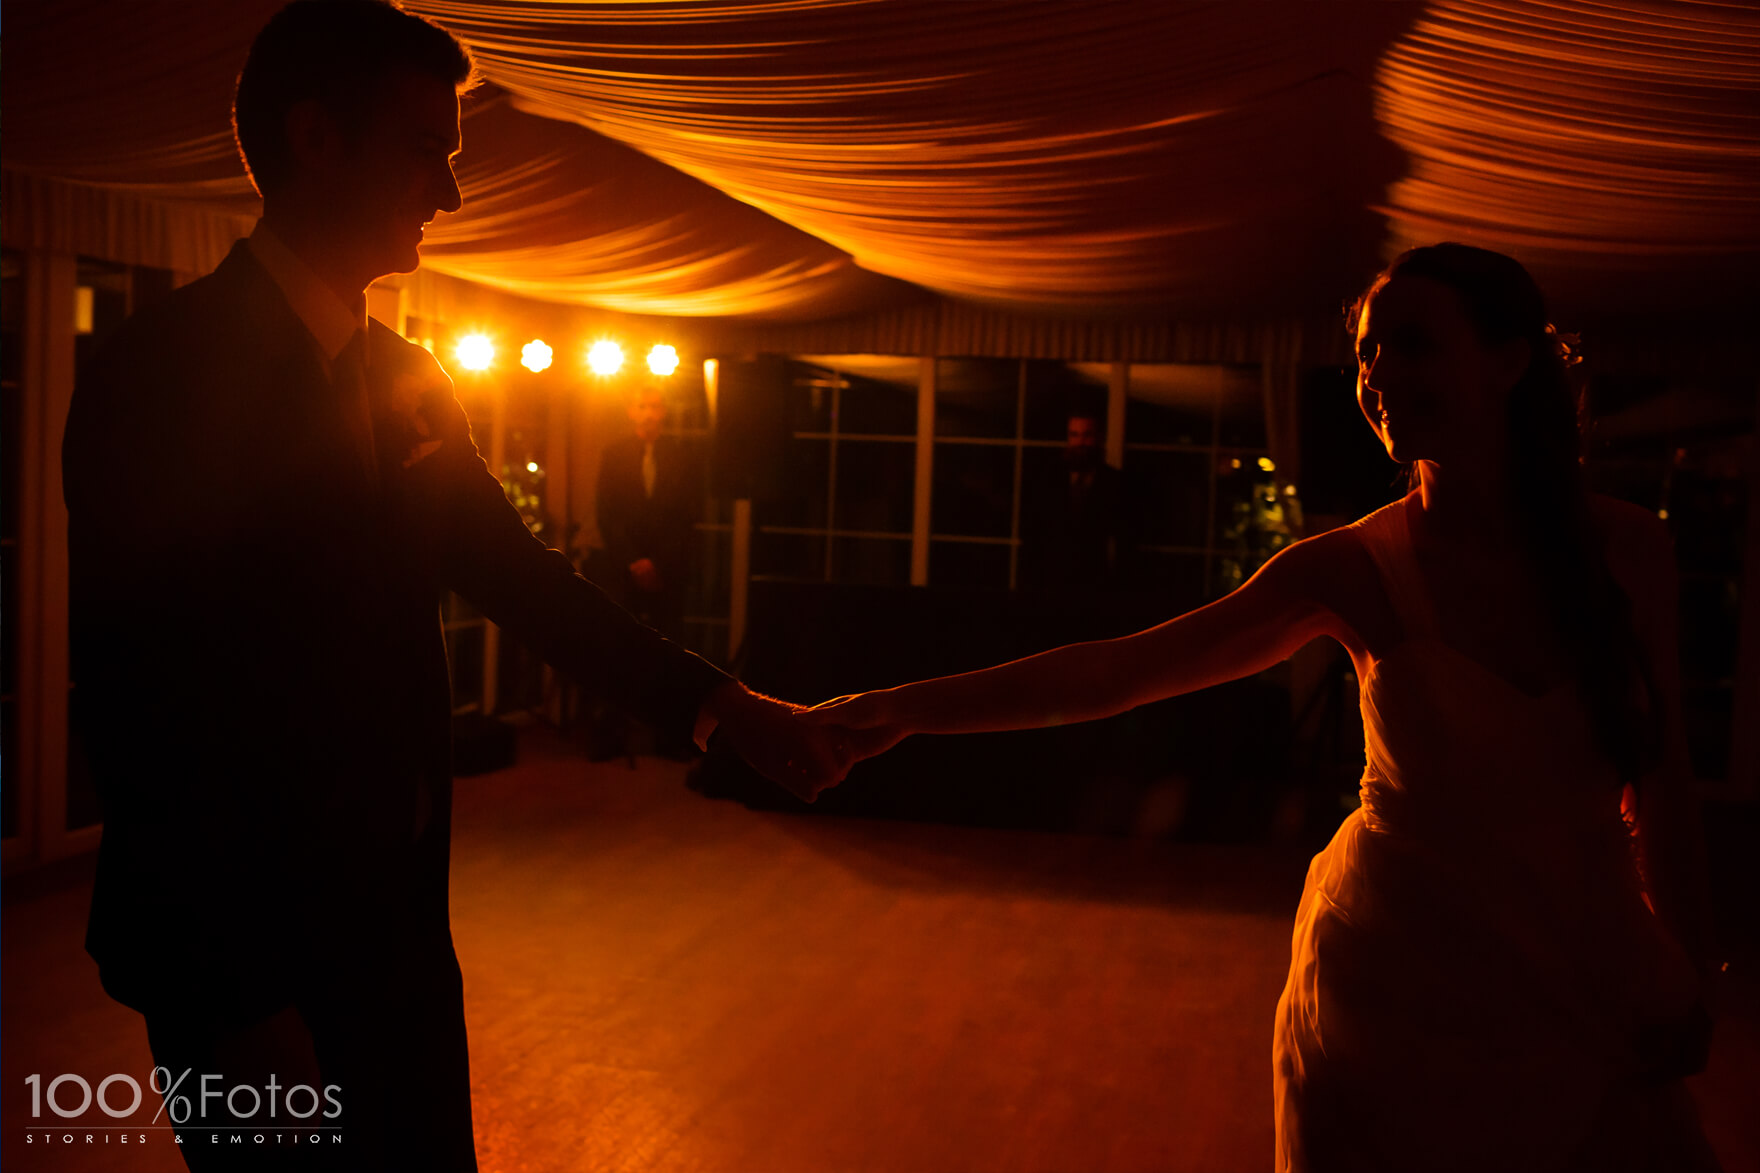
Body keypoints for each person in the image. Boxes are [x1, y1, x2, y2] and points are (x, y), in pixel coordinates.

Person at [61, 3, 848, 1169]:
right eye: (426, 151)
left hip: (391, 932)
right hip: (238, 962)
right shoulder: (161, 374)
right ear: (316, 138)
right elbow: (144, 702)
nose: (449, 195)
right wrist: (238, 996)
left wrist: (721, 706)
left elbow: (518, 577)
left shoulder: (406, 378)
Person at [803, 244, 1723, 1171]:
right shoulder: (1352, 570)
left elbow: (1665, 781)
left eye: (1412, 345)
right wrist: (889, 709)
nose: (1378, 377)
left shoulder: (1628, 549)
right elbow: (1120, 671)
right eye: (1366, 354)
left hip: (1588, 974)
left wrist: (1688, 969)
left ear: (1509, 360)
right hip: (1405, 990)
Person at [589, 385, 703, 758]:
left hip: (669, 569)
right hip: (625, 568)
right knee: (617, 645)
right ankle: (612, 732)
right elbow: (608, 514)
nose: (651, 413)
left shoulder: (683, 456)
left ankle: (669, 735)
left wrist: (658, 563)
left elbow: (686, 517)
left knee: (670, 651)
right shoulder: (614, 454)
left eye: (656, 406)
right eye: (643, 405)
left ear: (664, 412)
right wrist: (634, 561)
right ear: (630, 410)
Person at [1018, 408, 1136, 589]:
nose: (1080, 442)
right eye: (1075, 435)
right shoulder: (1048, 480)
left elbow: (1125, 539)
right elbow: (1033, 533)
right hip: (1050, 582)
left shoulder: (1115, 482)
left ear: (1098, 437)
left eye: (1087, 435)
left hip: (1096, 583)